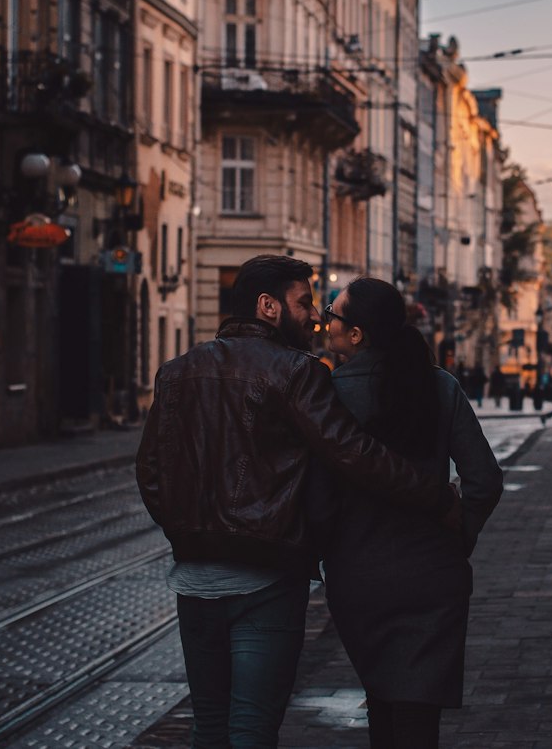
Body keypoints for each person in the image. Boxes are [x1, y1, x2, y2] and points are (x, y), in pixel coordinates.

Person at [135, 255, 460, 749]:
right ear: (268, 306)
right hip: (266, 579)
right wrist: (434, 495)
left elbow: (150, 472)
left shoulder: (176, 371)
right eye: (304, 303)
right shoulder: (295, 372)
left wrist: (191, 529)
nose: (314, 317)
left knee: (208, 727)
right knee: (251, 728)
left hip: (194, 582)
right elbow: (354, 454)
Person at [312, 278, 504, 749]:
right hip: (432, 572)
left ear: (356, 333)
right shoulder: (438, 384)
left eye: (332, 315)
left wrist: (326, 554)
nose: (325, 322)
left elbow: (315, 497)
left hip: (358, 574)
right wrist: (459, 535)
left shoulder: (326, 397)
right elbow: (484, 480)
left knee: (381, 694)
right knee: (419, 708)